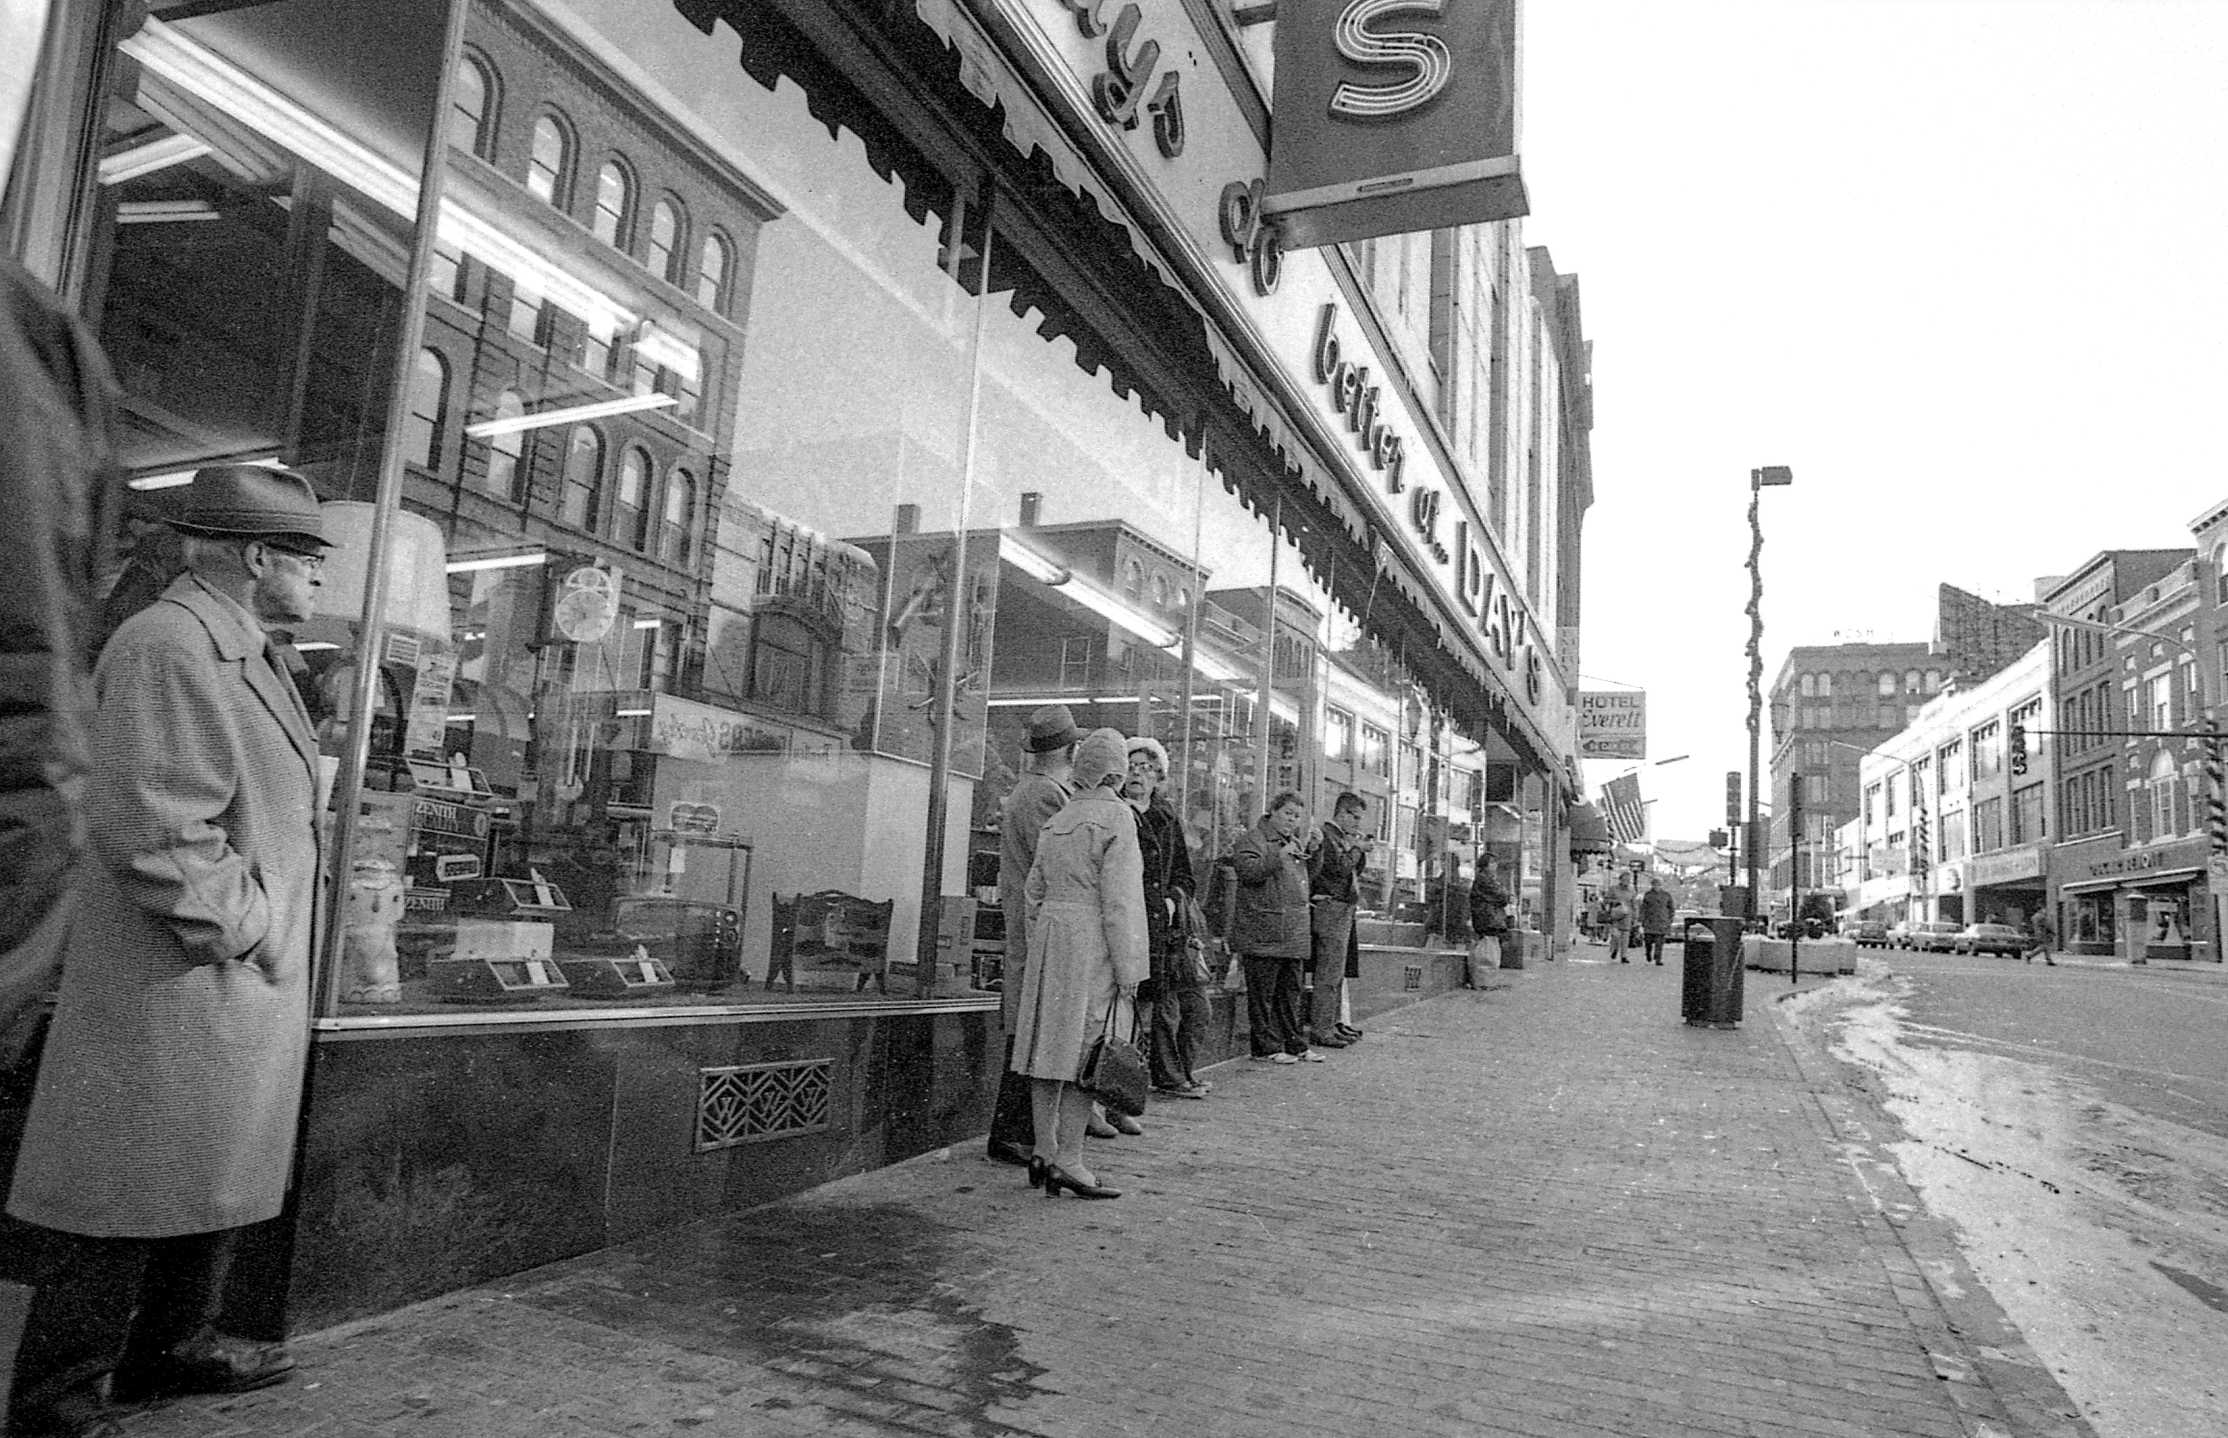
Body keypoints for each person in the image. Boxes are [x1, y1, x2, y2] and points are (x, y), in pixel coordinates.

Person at [6, 466, 334, 1427]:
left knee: (201, 1166)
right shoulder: (169, 644)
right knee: (124, 1186)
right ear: (260, 557)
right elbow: (153, 826)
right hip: (181, 970)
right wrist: (251, 925)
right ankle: (58, 1397)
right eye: (307, 557)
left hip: (222, 978)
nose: (318, 575)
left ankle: (170, 1348)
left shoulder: (238, 647)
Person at [1010, 729, 1148, 1200]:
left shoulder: (1059, 817)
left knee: (1048, 1048)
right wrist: (1130, 969)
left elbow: (1033, 893)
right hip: (1094, 944)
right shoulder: (1118, 818)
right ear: (1116, 774)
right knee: (1089, 1049)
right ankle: (1070, 1160)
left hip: (1053, 941)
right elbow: (1121, 903)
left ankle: (1043, 1150)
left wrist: (1044, 943)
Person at [985, 705, 1080, 1169]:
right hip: (1038, 928)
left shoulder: (1035, 790)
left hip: (1032, 926)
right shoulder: (1046, 795)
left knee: (1031, 1026)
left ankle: (1018, 1131)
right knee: (1033, 1028)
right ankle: (1012, 1133)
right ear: (1071, 750)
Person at [1125, 738, 1207, 1099]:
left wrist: (1174, 899)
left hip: (1166, 932)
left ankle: (1175, 1074)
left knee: (1188, 1008)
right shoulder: (1119, 813)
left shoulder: (1168, 818)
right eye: (1131, 766)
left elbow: (1185, 876)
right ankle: (1155, 1079)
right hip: (1131, 923)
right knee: (1147, 1010)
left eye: (1147, 768)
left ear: (1159, 777)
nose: (1138, 774)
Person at [1232, 792, 1320, 1065]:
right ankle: (1265, 1047)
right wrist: (1277, 857)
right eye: (1288, 813)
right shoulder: (1253, 839)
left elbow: (1304, 881)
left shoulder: (1292, 843)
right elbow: (1248, 871)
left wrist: (1314, 853)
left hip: (1291, 933)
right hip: (1264, 931)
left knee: (1290, 993)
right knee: (1263, 995)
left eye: (1297, 816)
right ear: (1273, 811)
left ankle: (1294, 1044)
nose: (1292, 821)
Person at [1305, 792, 1371, 1048]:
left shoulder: (1341, 838)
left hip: (1341, 909)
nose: (1357, 823)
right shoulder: (1327, 837)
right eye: (1355, 817)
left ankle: (1331, 1024)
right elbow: (1339, 868)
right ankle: (1322, 1028)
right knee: (1328, 973)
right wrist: (1357, 849)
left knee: (1336, 973)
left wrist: (1358, 850)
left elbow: (1353, 870)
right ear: (1342, 813)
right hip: (1331, 909)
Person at [1467, 856, 1511, 984]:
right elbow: (1503, 897)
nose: (1495, 865)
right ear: (1484, 866)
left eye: (1495, 862)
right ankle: (1484, 980)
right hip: (1487, 919)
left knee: (1490, 949)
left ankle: (1487, 979)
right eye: (1491, 863)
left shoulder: (1489, 880)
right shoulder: (1484, 881)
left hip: (1489, 919)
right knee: (1488, 950)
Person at [1638, 879, 1676, 967]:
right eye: (1655, 885)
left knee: (1659, 942)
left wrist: (1670, 919)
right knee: (1648, 940)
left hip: (1662, 921)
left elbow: (1671, 908)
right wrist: (1642, 919)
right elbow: (1643, 908)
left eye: (1659, 885)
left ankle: (1658, 958)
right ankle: (1648, 952)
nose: (1657, 886)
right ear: (1652, 885)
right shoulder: (1648, 895)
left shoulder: (1666, 895)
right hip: (1650, 921)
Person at [1603, 879, 1635, 963]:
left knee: (1625, 936)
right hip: (1616, 914)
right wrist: (1616, 902)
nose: (1626, 881)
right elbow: (1605, 900)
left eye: (1628, 879)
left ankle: (1624, 956)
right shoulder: (1613, 889)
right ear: (1621, 879)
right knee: (1615, 935)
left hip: (1627, 915)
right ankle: (1614, 948)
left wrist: (1635, 916)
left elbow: (1634, 903)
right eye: (1625, 878)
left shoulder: (1631, 890)